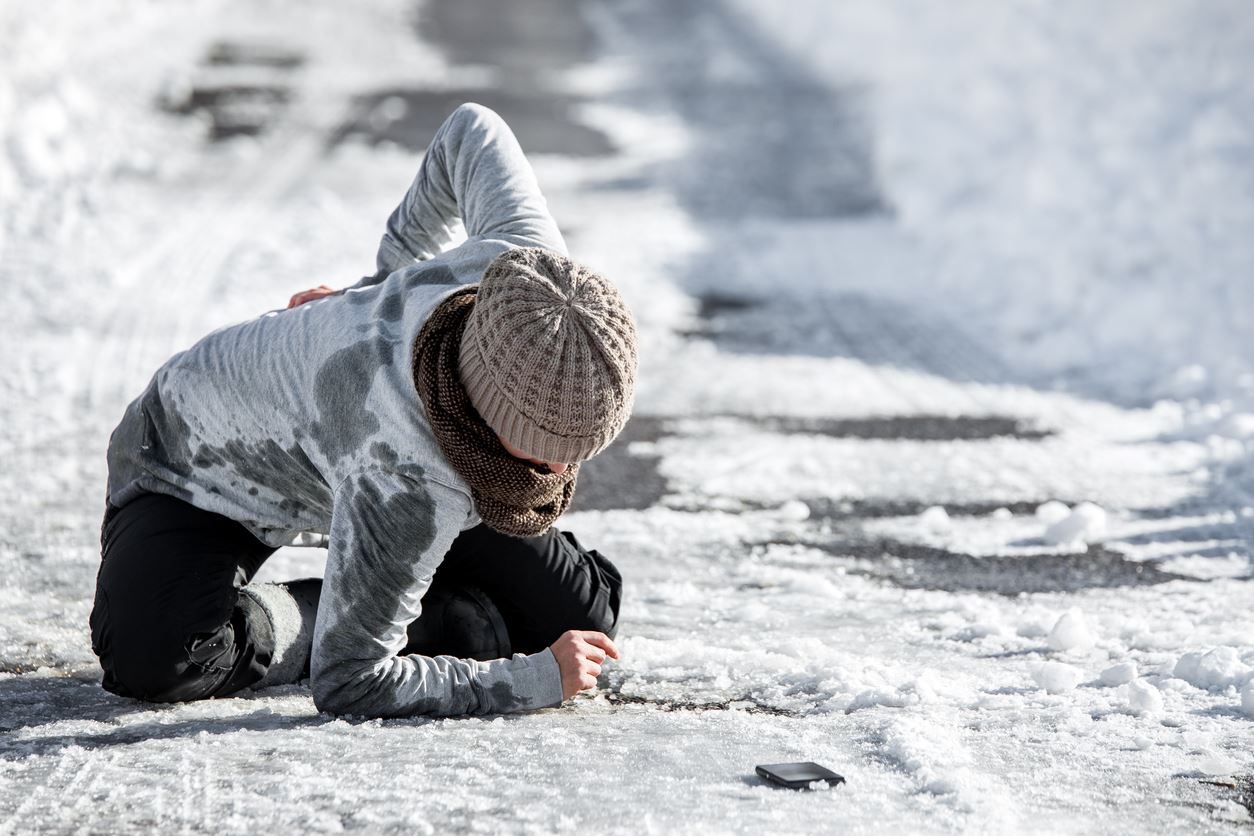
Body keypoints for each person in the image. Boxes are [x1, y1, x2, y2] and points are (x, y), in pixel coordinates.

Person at [89, 103, 637, 718]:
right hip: (195, 462)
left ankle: (403, 587)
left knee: (583, 622)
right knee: (157, 658)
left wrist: (376, 291)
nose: (554, 473)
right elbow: (349, 681)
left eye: (575, 455)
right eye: (539, 450)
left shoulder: (529, 273)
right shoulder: (407, 476)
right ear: (489, 409)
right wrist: (530, 682)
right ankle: (374, 611)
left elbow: (471, 129)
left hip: (384, 436)